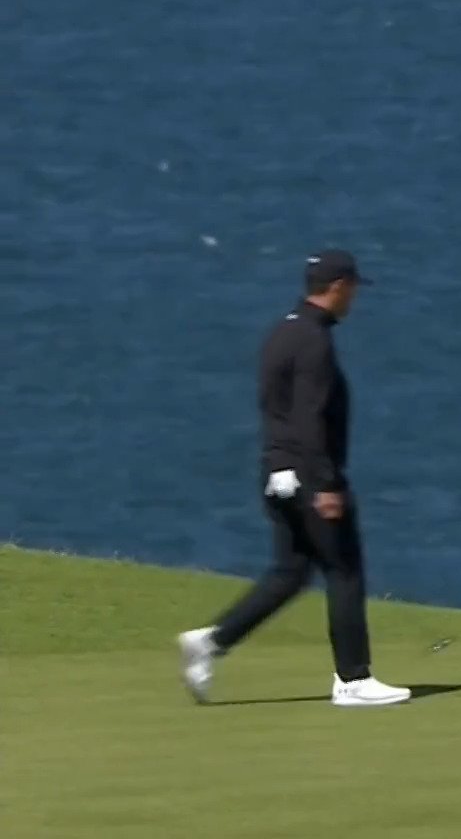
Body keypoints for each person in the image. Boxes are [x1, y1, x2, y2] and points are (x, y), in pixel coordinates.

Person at [175, 250, 411, 706]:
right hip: (307, 474)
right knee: (344, 571)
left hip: (276, 471)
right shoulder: (314, 341)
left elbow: (279, 411)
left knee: (291, 572)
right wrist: (325, 483)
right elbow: (309, 416)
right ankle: (353, 679)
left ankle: (212, 642)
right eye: (354, 287)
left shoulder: (283, 330)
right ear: (338, 286)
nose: (355, 297)